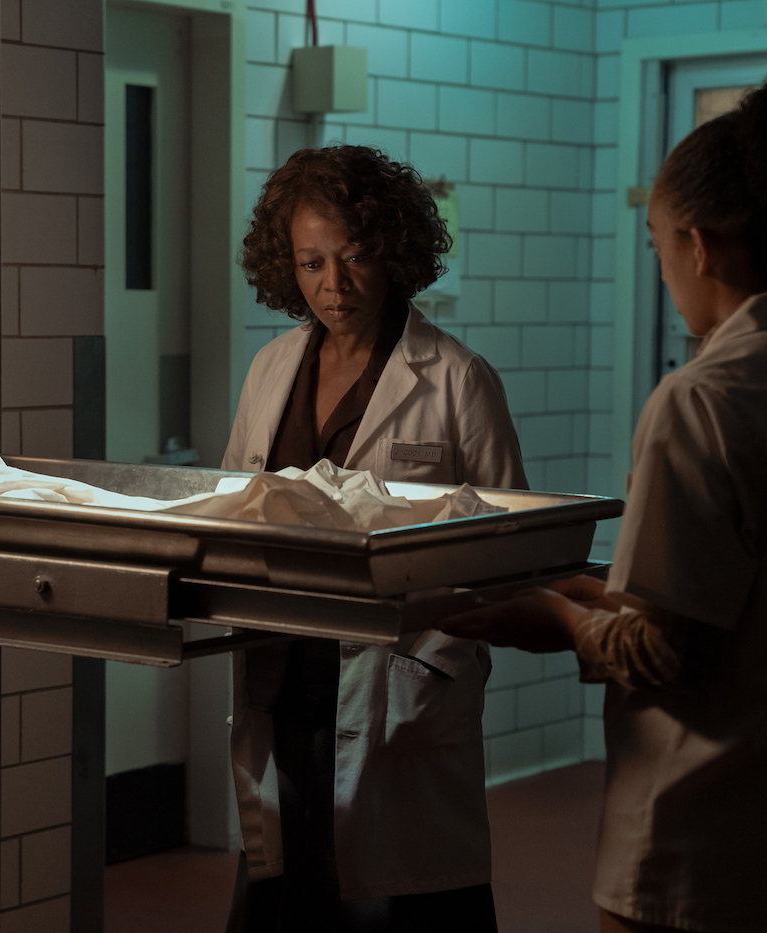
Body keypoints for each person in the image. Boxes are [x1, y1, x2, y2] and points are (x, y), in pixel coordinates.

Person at [441, 66, 767, 932]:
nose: (663, 266)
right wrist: (596, 595)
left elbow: (668, 654)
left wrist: (551, 618)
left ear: (699, 245)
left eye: (658, 244)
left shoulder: (703, 399)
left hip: (708, 842)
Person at [222, 144, 526, 932]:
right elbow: (233, 505)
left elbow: (509, 553)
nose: (333, 286)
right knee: (287, 897)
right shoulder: (270, 369)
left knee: (405, 904)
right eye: (311, 263)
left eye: (354, 258)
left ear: (392, 251)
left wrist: (441, 664)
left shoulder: (457, 379)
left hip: (402, 689)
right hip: (284, 677)